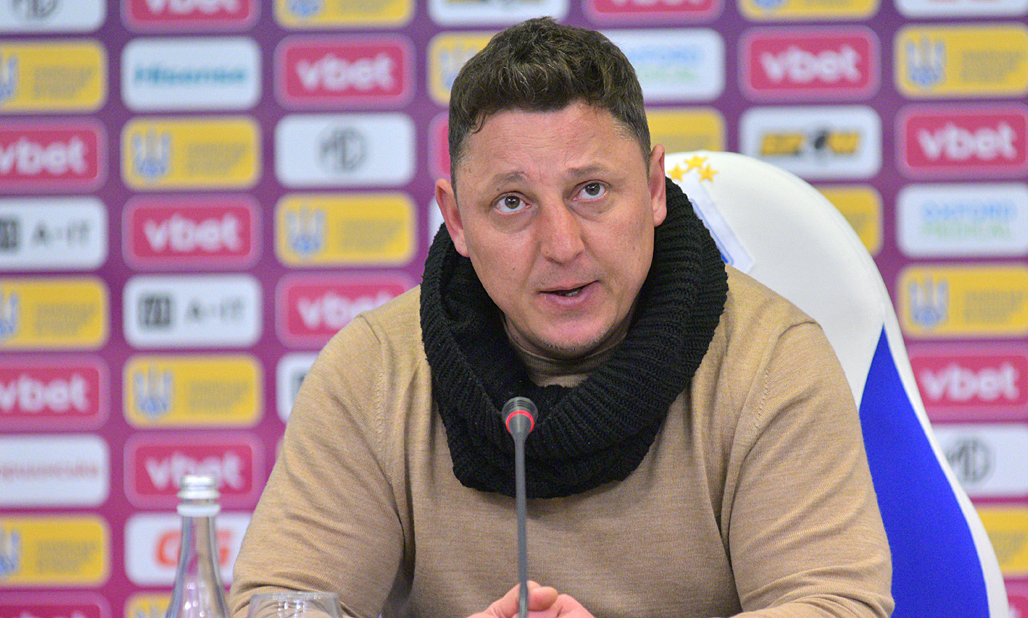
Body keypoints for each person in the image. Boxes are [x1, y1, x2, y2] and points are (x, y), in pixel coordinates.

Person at [230, 17, 892, 618]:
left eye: (591, 191)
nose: (562, 245)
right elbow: (278, 605)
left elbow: (833, 605)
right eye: (512, 203)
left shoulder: (773, 360)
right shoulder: (372, 372)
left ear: (654, 189)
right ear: (456, 219)